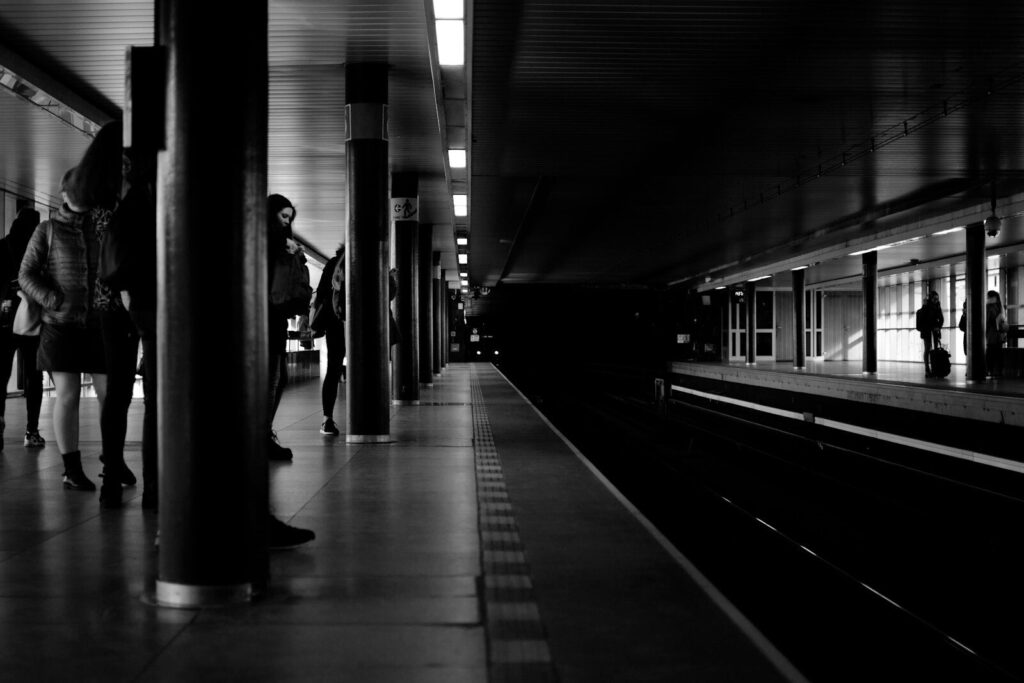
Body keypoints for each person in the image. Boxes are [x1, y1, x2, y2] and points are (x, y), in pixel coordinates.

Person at [19, 168, 108, 491]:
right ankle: (71, 468)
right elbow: (26, 274)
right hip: (60, 326)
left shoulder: (101, 229)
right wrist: (51, 298)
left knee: (110, 395)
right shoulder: (47, 230)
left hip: (97, 323)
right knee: (68, 396)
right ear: (64, 194)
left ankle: (112, 461)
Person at [75, 120, 141, 508]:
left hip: (106, 297)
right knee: (138, 387)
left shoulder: (93, 183)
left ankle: (112, 471)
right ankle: (139, 477)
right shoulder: (126, 177)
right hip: (132, 294)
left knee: (116, 389)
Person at [0, 207, 45, 449]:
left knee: (1, 376)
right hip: (31, 320)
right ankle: (32, 430)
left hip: (4, 322)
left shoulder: (2, 247)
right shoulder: (37, 250)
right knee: (34, 377)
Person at [267, 193, 301, 461]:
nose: (286, 222)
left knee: (278, 379)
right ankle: (261, 435)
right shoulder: (268, 244)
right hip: (266, 318)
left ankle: (263, 432)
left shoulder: (285, 246)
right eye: (283, 216)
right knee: (272, 380)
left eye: (289, 218)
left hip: (276, 318)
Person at [315, 245, 345, 436]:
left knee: (333, 369)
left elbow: (320, 294)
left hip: (335, 323)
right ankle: (367, 415)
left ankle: (327, 419)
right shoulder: (366, 261)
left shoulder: (333, 264)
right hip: (360, 325)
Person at [916, 290, 943, 377]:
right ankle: (927, 369)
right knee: (927, 348)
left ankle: (935, 368)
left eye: (937, 299)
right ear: (930, 299)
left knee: (935, 349)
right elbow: (922, 318)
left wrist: (938, 327)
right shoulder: (925, 307)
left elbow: (941, 319)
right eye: (935, 299)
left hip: (934, 331)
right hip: (926, 331)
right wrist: (924, 306)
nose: (936, 300)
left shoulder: (937, 307)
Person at [986, 290, 1008, 378]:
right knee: (997, 354)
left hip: (992, 336)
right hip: (997, 336)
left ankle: (991, 371)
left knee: (991, 354)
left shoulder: (989, 308)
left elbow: (988, 321)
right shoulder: (999, 307)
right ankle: (997, 372)